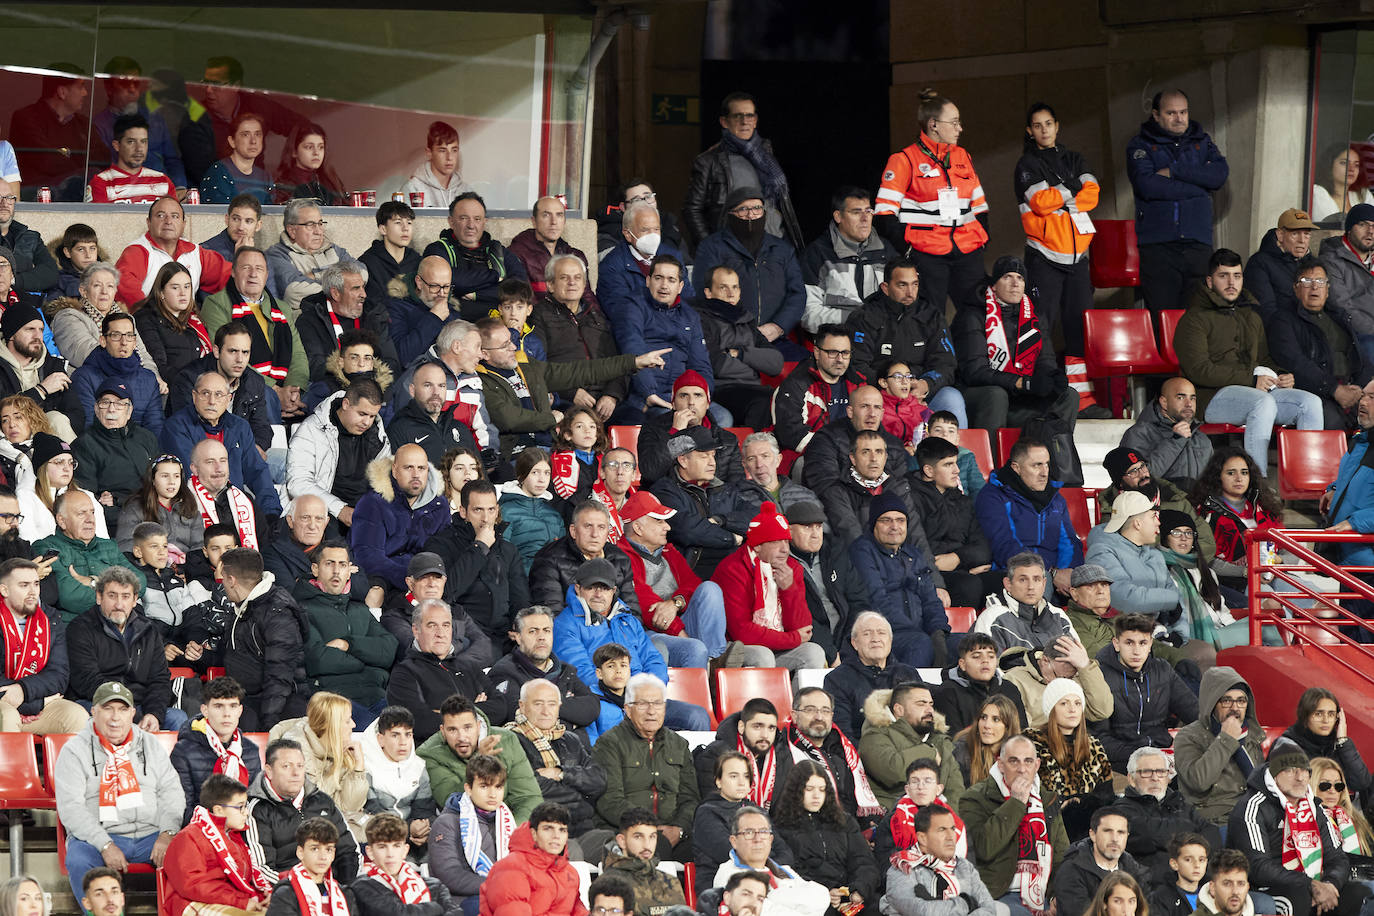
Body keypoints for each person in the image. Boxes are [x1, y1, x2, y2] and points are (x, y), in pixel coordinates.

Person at [1177, 248, 1325, 470]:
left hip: (1253, 391)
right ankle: (1258, 486)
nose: (1231, 282)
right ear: (1209, 281)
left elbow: (1264, 359)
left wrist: (1280, 376)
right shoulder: (1193, 320)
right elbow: (1198, 369)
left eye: (1237, 276)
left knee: (1309, 403)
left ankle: (1308, 483)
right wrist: (1250, 379)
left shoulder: (1251, 316)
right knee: (1262, 402)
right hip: (1209, 397)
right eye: (1223, 276)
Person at [54, 681, 185, 900]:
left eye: (123, 709)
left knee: (190, 852)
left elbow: (171, 791)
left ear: (133, 713)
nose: (116, 717)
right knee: (78, 859)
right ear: (93, 711)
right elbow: (71, 809)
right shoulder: (74, 750)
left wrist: (168, 832)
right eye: (108, 708)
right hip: (100, 837)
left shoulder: (150, 744)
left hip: (151, 835)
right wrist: (104, 844)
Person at [553, 556, 709, 729]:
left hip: (642, 698)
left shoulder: (627, 619)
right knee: (611, 718)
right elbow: (580, 672)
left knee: (696, 716)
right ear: (578, 589)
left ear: (613, 591)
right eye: (591, 587)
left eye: (604, 588)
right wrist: (623, 694)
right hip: (603, 700)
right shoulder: (565, 624)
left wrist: (646, 691)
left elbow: (653, 659)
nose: (598, 594)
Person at [476, 318, 663, 458]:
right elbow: (508, 418)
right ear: (484, 353)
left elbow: (580, 371)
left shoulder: (527, 366)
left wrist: (634, 362)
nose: (513, 347)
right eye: (504, 345)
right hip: (516, 455)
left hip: (550, 448)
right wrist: (550, 419)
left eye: (511, 340)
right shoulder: (481, 380)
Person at [874, 89, 989, 312]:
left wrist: (982, 239)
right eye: (954, 122)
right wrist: (910, 250)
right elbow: (884, 214)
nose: (960, 128)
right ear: (933, 124)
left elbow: (979, 204)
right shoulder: (903, 160)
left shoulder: (963, 156)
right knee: (930, 318)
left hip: (967, 251)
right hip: (927, 255)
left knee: (976, 316)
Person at [1230, 742, 1370, 916]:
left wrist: (1329, 884)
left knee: (1360, 894)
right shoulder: (1252, 806)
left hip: (1314, 883)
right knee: (1299, 898)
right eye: (1290, 770)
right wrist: (1310, 884)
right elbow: (1257, 866)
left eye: (1304, 771)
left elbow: (1337, 857)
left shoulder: (1314, 807)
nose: (1300, 777)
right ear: (1274, 775)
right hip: (1266, 887)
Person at [1126, 90, 1230, 312]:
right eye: (1171, 113)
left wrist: (1174, 171)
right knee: (1162, 319)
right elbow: (1147, 185)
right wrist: (1199, 187)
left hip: (1198, 245)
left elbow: (1219, 176)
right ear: (1156, 115)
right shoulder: (1140, 145)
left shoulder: (1202, 142)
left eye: (1183, 112)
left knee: (1197, 320)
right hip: (1158, 247)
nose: (1179, 118)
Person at [1016, 102, 1101, 373]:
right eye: (1038, 125)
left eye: (1049, 124)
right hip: (1045, 256)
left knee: (1080, 329)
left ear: (1057, 126)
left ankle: (1080, 398)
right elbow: (1040, 202)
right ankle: (1040, 394)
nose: (1044, 130)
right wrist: (1072, 189)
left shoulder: (1074, 158)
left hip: (1077, 259)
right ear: (1030, 131)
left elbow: (1092, 194)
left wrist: (1061, 196)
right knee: (1041, 327)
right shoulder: (1027, 164)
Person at [952, 256, 1078, 434]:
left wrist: (1052, 378)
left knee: (1069, 394)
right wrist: (1021, 382)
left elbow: (1046, 361)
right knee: (997, 395)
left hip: (1021, 398)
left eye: (1020, 278)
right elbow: (974, 371)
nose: (1015, 283)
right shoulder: (973, 315)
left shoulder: (1035, 317)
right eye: (1007, 277)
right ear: (994, 285)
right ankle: (991, 461)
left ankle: (1056, 454)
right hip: (983, 395)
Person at [956, 734, 1070, 916]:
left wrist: (1058, 896)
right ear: (1000, 764)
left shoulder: (1047, 800)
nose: (1022, 769)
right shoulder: (975, 798)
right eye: (1014, 761)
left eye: (1028, 761)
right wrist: (1016, 802)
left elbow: (1062, 857)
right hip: (998, 894)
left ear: (1037, 765)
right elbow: (983, 848)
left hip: (1044, 895)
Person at [592, 673, 699, 862]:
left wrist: (680, 829)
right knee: (655, 848)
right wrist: (650, 830)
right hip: (627, 833)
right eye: (642, 704)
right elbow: (609, 800)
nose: (651, 711)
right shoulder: (609, 743)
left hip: (674, 833)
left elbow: (690, 798)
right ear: (627, 709)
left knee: (712, 850)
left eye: (658, 703)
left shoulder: (679, 744)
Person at [615, 491, 731, 665]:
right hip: (649, 632)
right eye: (659, 521)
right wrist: (681, 634)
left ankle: (714, 659)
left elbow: (693, 584)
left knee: (710, 588)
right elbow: (645, 604)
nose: (667, 527)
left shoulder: (669, 551)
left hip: (678, 620)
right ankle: (710, 667)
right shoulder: (620, 555)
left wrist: (675, 603)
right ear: (638, 528)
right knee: (695, 648)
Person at [714, 502, 827, 676]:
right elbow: (741, 632)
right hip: (736, 647)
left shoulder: (792, 567)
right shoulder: (733, 569)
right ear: (757, 546)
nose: (785, 550)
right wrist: (792, 638)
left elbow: (803, 627)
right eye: (776, 542)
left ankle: (803, 704)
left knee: (814, 653)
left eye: (786, 541)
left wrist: (789, 589)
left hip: (778, 645)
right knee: (763, 655)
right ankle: (762, 704)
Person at [67, 566, 184, 731]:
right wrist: (123, 707)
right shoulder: (80, 628)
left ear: (135, 600)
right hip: (98, 704)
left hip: (139, 706)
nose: (119, 604)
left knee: (178, 718)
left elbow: (159, 679)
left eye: (126, 596)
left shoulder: (148, 630)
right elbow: (86, 680)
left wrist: (154, 713)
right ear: (99, 597)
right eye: (112, 596)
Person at [683, 92, 803, 253]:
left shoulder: (766, 156)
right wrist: (711, 247)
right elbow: (692, 209)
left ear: (755, 121)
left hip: (773, 244)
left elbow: (781, 204)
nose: (744, 121)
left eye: (749, 115)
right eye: (738, 116)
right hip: (731, 249)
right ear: (724, 122)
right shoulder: (708, 161)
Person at [201, 246, 309, 420]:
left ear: (266, 275)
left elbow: (297, 353)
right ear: (234, 272)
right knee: (264, 396)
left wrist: (294, 389)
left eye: (259, 269)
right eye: (246, 268)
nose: (253, 274)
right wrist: (275, 391)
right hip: (241, 382)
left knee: (320, 394)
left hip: (284, 385)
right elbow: (226, 356)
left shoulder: (282, 308)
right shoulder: (216, 304)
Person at [692, 187, 806, 349]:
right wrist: (736, 330)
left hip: (776, 339)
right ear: (730, 213)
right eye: (743, 209)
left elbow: (797, 293)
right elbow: (703, 293)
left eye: (757, 208)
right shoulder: (712, 247)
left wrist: (778, 326)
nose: (751, 215)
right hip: (728, 339)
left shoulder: (781, 249)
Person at [529, 255, 638, 425]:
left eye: (577, 277)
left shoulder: (596, 316)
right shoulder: (539, 315)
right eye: (564, 278)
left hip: (603, 402)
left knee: (635, 419)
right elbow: (537, 368)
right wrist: (570, 392)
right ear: (550, 285)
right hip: (565, 401)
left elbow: (618, 363)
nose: (572, 282)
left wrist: (611, 396)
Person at [848, 256, 964, 416]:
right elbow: (857, 366)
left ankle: (951, 442)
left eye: (914, 285)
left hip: (919, 395)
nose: (910, 293)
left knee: (952, 397)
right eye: (902, 285)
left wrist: (926, 384)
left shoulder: (932, 316)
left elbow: (946, 364)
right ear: (885, 288)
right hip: (880, 397)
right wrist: (891, 385)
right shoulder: (865, 317)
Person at [162, 370, 283, 521]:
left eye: (218, 394)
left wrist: (270, 512)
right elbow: (193, 477)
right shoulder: (176, 427)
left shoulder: (240, 427)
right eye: (205, 393)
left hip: (235, 508)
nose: (212, 401)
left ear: (229, 399)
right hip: (193, 512)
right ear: (194, 396)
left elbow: (258, 472)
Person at [295, 540, 396, 718]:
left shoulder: (359, 609)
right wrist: (367, 661)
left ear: (349, 570)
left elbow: (388, 650)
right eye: (329, 564)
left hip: (377, 697)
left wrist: (348, 645)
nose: (336, 571)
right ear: (315, 569)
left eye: (342, 565)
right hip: (334, 702)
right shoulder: (301, 609)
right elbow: (318, 660)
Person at [847, 491, 950, 666]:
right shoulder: (862, 551)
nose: (894, 526)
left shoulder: (914, 554)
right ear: (873, 525)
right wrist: (920, 633)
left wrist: (938, 632)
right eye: (886, 520)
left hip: (920, 633)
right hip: (885, 634)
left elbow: (930, 600)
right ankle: (909, 692)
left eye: (900, 520)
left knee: (964, 645)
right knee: (920, 644)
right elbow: (876, 599)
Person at [1268, 256, 1367, 430]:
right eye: (1307, 281)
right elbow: (1295, 363)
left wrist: (1362, 388)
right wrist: (1334, 389)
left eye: (1320, 281)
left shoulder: (1339, 317)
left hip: (1349, 389)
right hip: (1315, 393)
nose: (1315, 287)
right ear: (1296, 288)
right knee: (1333, 423)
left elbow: (1361, 358)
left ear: (1327, 289)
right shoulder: (1283, 320)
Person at [387, 597, 504, 743]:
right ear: (416, 631)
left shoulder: (469, 666)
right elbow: (420, 723)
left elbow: (500, 707)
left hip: (484, 746)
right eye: (432, 626)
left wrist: (449, 714)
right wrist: (475, 709)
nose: (440, 633)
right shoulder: (404, 673)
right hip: (437, 753)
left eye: (446, 625)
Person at [1090, 613, 1197, 771]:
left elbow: (1195, 713)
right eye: (1129, 643)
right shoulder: (1100, 676)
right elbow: (1098, 738)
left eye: (1143, 643)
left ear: (1150, 644)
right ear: (1116, 643)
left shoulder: (1163, 670)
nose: (1136, 651)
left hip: (1163, 757)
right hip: (1121, 762)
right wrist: (1142, 757)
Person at [505, 679, 607, 844]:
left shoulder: (571, 739)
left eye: (552, 704)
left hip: (582, 827)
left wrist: (560, 773)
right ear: (522, 706)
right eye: (538, 704)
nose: (546, 711)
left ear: (559, 707)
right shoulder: (510, 739)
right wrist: (580, 795)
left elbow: (598, 779)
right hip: (539, 831)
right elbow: (531, 787)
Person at [220, 548, 311, 730]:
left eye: (223, 578)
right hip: (246, 698)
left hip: (280, 702)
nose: (221, 583)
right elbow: (235, 655)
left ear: (231, 580)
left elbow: (280, 673)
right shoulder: (242, 607)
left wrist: (269, 721)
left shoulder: (278, 614)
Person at [974, 442, 1083, 594]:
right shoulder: (993, 496)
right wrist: (1051, 573)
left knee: (1092, 583)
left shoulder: (1055, 498)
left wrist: (1068, 573)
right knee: (1039, 585)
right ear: (1016, 468)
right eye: (1037, 465)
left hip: (1055, 574)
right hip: (1013, 572)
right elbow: (1004, 545)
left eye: (1046, 464)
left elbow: (1069, 542)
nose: (1044, 472)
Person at [417, 693, 543, 824]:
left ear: (478, 726)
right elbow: (452, 803)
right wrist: (479, 761)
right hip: (465, 829)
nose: (462, 737)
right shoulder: (429, 754)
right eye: (453, 730)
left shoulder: (507, 739)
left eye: (467, 727)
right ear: (442, 731)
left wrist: (509, 834)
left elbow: (528, 797)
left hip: (511, 826)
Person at [609, 255, 714, 413]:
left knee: (722, 417)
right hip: (644, 397)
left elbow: (701, 365)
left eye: (671, 280)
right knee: (668, 418)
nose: (664, 285)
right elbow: (632, 348)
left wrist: (703, 396)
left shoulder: (690, 316)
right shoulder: (633, 306)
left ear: (680, 286)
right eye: (658, 278)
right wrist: (649, 392)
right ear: (648, 281)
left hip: (682, 397)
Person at [248, 739, 361, 883]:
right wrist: (306, 887)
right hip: (289, 889)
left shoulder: (322, 800)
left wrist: (344, 887)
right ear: (269, 771)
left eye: (300, 766)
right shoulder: (257, 809)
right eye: (286, 766)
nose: (295, 773)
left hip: (334, 884)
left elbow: (349, 851)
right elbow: (261, 869)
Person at [770, 761, 879, 911]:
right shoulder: (782, 827)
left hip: (853, 899)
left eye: (822, 790)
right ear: (795, 791)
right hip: (813, 903)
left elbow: (864, 861)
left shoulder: (844, 821)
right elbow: (790, 874)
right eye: (809, 789)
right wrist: (825, 893)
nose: (816, 796)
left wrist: (859, 889)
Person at [163, 772, 273, 916]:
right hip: (190, 903)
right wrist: (241, 902)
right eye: (240, 807)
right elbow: (193, 885)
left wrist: (263, 895)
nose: (246, 813)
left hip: (229, 900)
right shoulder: (189, 837)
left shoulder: (234, 836)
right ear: (219, 810)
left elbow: (244, 881)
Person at [0, 556, 88, 733]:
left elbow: (59, 675)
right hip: (7, 702)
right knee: (7, 717)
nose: (33, 592)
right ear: (4, 590)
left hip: (34, 698)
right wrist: (36, 703)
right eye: (24, 585)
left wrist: (23, 690)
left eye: (36, 584)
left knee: (77, 716)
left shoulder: (51, 619)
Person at [650, 426, 753, 576]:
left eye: (713, 455)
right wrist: (731, 538)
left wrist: (722, 520)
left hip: (736, 567)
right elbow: (688, 530)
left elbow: (756, 517)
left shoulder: (723, 488)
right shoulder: (664, 491)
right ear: (683, 460)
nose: (712, 463)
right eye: (704, 456)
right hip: (695, 574)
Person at [287, 382, 390, 531]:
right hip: (322, 516)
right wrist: (341, 510)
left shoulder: (377, 437)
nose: (367, 422)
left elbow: (385, 485)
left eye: (372, 416)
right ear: (346, 404)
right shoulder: (312, 430)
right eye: (362, 414)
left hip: (364, 516)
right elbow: (297, 483)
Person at [911, 436, 999, 609]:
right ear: (929, 470)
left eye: (956, 463)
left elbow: (983, 547)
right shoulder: (910, 498)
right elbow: (917, 545)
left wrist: (958, 558)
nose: (957, 470)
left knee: (1005, 583)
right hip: (928, 574)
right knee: (969, 585)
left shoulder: (963, 501)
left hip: (963, 569)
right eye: (948, 464)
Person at [692, 264, 784, 429]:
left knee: (784, 398)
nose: (731, 293)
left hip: (753, 388)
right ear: (708, 292)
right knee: (763, 401)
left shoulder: (747, 320)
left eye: (735, 287)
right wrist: (754, 365)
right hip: (721, 389)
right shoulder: (700, 319)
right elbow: (717, 365)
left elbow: (776, 363)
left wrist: (739, 354)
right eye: (723, 287)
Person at [33, 490, 145, 623]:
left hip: (120, 625)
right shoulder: (47, 548)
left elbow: (139, 581)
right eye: (81, 513)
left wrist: (94, 582)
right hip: (77, 627)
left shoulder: (109, 546)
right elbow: (70, 597)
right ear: (62, 521)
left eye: (92, 512)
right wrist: (121, 599)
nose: (90, 519)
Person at [1170, 666, 1263, 827]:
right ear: (1212, 703)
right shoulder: (1189, 736)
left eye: (1241, 701)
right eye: (1226, 700)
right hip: (1213, 820)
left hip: (1254, 815)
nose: (1235, 708)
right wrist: (1226, 739)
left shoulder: (1252, 734)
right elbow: (1199, 781)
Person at [351, 444, 450, 592]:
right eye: (408, 468)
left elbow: (444, 553)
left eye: (421, 468)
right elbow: (369, 557)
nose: (416, 474)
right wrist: (410, 580)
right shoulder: (373, 503)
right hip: (384, 579)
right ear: (395, 471)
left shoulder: (439, 504)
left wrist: (427, 579)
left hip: (425, 581)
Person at [171, 322, 275, 461]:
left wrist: (256, 447)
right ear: (216, 351)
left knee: (286, 461)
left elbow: (261, 427)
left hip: (244, 455)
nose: (240, 359)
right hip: (201, 459)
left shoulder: (254, 381)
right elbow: (188, 429)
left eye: (245, 352)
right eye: (233, 351)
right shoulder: (189, 379)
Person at [1023, 678, 1112, 839]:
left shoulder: (1093, 746)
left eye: (1077, 703)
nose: (1072, 709)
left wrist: (1083, 804)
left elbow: (1106, 796)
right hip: (1048, 827)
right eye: (1064, 703)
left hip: (1090, 828)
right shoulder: (1033, 743)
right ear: (1052, 709)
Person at [800, 185, 897, 332]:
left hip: (882, 339)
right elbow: (808, 315)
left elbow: (905, 302)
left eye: (868, 211)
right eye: (856, 212)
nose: (865, 218)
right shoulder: (817, 254)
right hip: (838, 340)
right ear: (838, 216)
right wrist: (856, 319)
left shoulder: (887, 251)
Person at [429, 754, 516, 914]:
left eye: (498, 787)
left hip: (504, 894)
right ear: (468, 788)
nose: (492, 794)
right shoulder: (447, 823)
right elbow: (449, 875)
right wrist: (496, 884)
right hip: (459, 901)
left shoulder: (507, 821)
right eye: (484, 786)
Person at [1115, 747, 1221, 876]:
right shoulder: (1121, 809)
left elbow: (1212, 833)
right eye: (1147, 772)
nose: (1155, 778)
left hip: (1193, 881)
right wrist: (1192, 831)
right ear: (1131, 779)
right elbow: (1150, 834)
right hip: (1150, 884)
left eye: (1161, 771)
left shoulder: (1181, 803)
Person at [859, 682, 964, 809]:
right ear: (899, 710)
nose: (929, 710)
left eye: (931, 704)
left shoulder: (940, 740)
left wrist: (953, 822)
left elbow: (955, 789)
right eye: (921, 704)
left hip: (937, 819)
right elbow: (892, 771)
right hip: (892, 818)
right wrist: (929, 752)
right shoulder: (875, 735)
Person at [170, 676, 263, 820]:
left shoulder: (250, 751)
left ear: (240, 710)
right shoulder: (183, 752)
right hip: (201, 830)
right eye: (218, 706)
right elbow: (183, 808)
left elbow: (255, 804)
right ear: (205, 710)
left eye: (232, 706)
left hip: (244, 828)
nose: (227, 714)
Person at [422, 193, 528, 319]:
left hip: (499, 326)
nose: (471, 225)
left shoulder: (498, 251)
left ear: (484, 222)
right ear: (451, 222)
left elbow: (521, 289)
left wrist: (477, 295)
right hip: (456, 327)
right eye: (463, 218)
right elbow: (453, 281)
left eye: (477, 219)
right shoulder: (437, 249)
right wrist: (496, 276)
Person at [881, 803, 997, 916]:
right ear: (922, 838)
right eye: (942, 830)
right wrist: (967, 903)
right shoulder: (903, 867)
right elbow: (922, 911)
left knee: (1003, 909)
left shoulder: (964, 866)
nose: (950, 836)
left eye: (952, 829)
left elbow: (989, 908)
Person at [785, 500, 865, 663]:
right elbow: (800, 615)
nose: (815, 534)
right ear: (789, 530)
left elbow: (859, 601)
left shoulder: (835, 552)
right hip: (813, 642)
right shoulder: (782, 563)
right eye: (807, 527)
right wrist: (831, 652)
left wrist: (849, 643)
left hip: (847, 639)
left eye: (819, 527)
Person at [115, 197, 232, 308]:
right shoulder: (137, 251)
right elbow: (126, 291)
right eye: (161, 215)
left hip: (186, 324)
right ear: (148, 222)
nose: (168, 221)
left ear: (183, 224)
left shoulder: (196, 252)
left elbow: (233, 276)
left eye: (175, 216)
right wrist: (149, 318)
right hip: (148, 323)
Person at [636, 370, 746, 487]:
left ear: (708, 403)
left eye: (698, 395)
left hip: (712, 502)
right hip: (666, 500)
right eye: (683, 396)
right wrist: (675, 433)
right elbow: (651, 473)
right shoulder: (652, 429)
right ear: (673, 403)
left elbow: (737, 486)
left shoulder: (727, 439)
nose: (691, 402)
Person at [597, 203, 698, 329]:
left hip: (678, 329)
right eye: (645, 230)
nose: (653, 235)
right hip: (641, 333)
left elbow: (688, 298)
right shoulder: (612, 266)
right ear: (628, 234)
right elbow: (621, 311)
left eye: (656, 229)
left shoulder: (673, 255)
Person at [7, 67, 101, 200]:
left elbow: (103, 157)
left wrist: (67, 153)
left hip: (75, 195)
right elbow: (45, 159)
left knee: (92, 174)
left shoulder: (83, 123)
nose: (85, 93)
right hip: (36, 197)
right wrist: (77, 156)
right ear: (62, 92)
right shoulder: (26, 118)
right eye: (80, 87)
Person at [1085, 490, 1182, 619]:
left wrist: (1179, 634)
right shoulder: (1101, 553)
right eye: (1153, 516)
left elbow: (1177, 603)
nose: (1158, 522)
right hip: (1120, 633)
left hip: (1158, 633)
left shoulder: (1155, 555)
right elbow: (1124, 598)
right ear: (1137, 523)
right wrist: (1171, 602)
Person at [1189, 447, 1282, 580]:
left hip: (1275, 573)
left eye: (1244, 473)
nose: (1239, 478)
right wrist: (1245, 572)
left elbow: (1289, 548)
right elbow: (1207, 559)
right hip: (1233, 580)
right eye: (1231, 473)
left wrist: (1276, 561)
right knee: (1270, 599)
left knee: (1314, 594)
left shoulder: (1264, 505)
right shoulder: (1203, 511)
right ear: (1217, 476)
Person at [824, 611, 918, 742]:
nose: (875, 639)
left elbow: (922, 720)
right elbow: (842, 733)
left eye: (881, 633)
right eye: (867, 634)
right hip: (863, 752)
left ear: (890, 641)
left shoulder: (908, 673)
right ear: (854, 643)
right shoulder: (836, 679)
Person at [771, 324, 865, 456]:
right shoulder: (796, 385)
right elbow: (792, 436)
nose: (840, 359)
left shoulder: (859, 383)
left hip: (853, 454)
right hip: (807, 456)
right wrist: (840, 449)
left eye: (845, 353)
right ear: (817, 352)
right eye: (832, 352)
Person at [477, 801, 585, 916]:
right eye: (548, 828)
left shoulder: (570, 873)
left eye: (562, 830)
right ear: (534, 833)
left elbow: (579, 911)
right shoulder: (512, 867)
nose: (556, 836)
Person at [298, 261, 400, 383]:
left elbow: (391, 362)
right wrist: (351, 374)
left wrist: (367, 377)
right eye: (356, 288)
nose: (364, 294)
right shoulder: (310, 321)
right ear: (335, 293)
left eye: (363, 287)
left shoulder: (374, 315)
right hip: (332, 389)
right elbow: (315, 367)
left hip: (374, 387)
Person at [71, 313, 165, 436]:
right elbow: (88, 426)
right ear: (103, 341)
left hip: (140, 449)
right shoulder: (84, 377)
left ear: (135, 342)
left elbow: (155, 426)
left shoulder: (148, 378)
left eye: (129, 336)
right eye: (116, 335)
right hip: (100, 449)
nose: (124, 342)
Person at [1051, 806, 1152, 916]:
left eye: (1121, 832)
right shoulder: (1071, 871)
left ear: (1127, 836)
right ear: (1093, 834)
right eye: (1108, 831)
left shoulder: (1134, 870)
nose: (1115, 838)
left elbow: (1148, 909)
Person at [351, 812, 458, 916]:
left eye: (396, 846)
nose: (390, 854)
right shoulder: (362, 887)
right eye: (382, 847)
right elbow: (397, 913)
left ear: (405, 850)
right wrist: (437, 908)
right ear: (370, 852)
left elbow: (456, 912)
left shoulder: (433, 885)